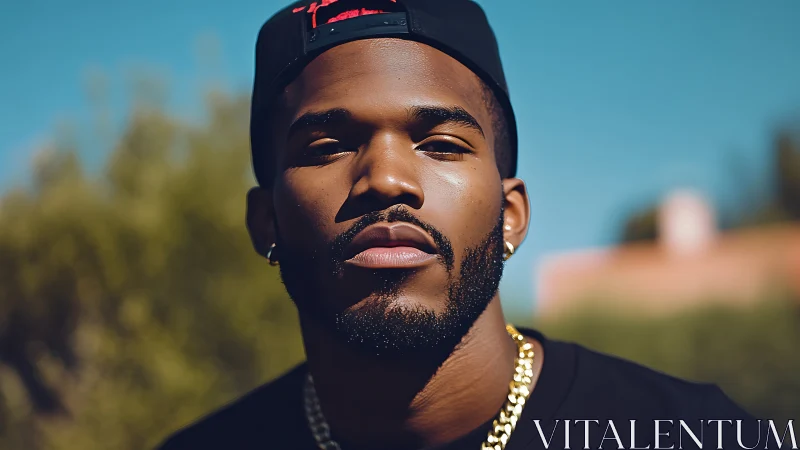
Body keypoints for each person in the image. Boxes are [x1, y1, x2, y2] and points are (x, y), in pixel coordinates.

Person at [157, 1, 770, 449]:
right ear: (265, 221)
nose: (386, 179)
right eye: (327, 146)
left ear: (511, 215)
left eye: (442, 143)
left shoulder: (692, 435)